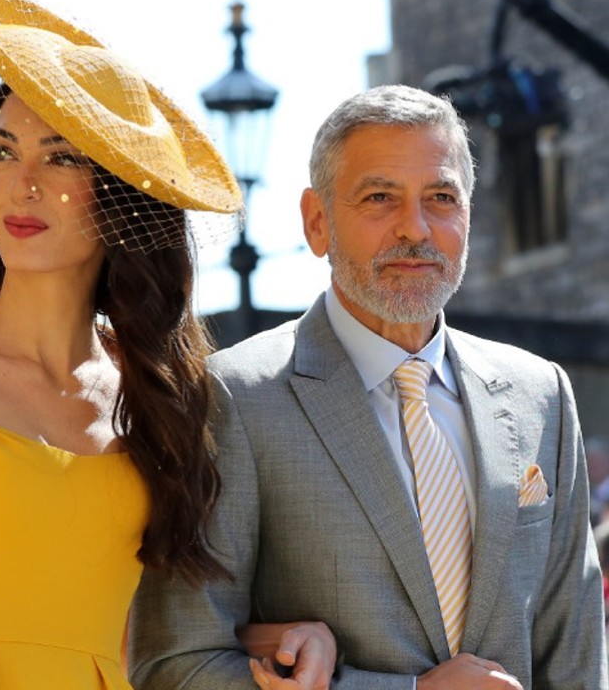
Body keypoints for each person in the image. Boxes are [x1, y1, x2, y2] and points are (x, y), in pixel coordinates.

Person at [0, 0, 330, 690]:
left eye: (62, 157)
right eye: (5, 152)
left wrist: (288, 636)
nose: (21, 184)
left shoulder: (160, 401)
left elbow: (153, 635)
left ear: (122, 195)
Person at [129, 84, 609, 689]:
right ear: (317, 221)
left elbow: (577, 656)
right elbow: (174, 664)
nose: (416, 228)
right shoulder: (236, 399)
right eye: (379, 198)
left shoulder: (542, 395)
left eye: (440, 197)